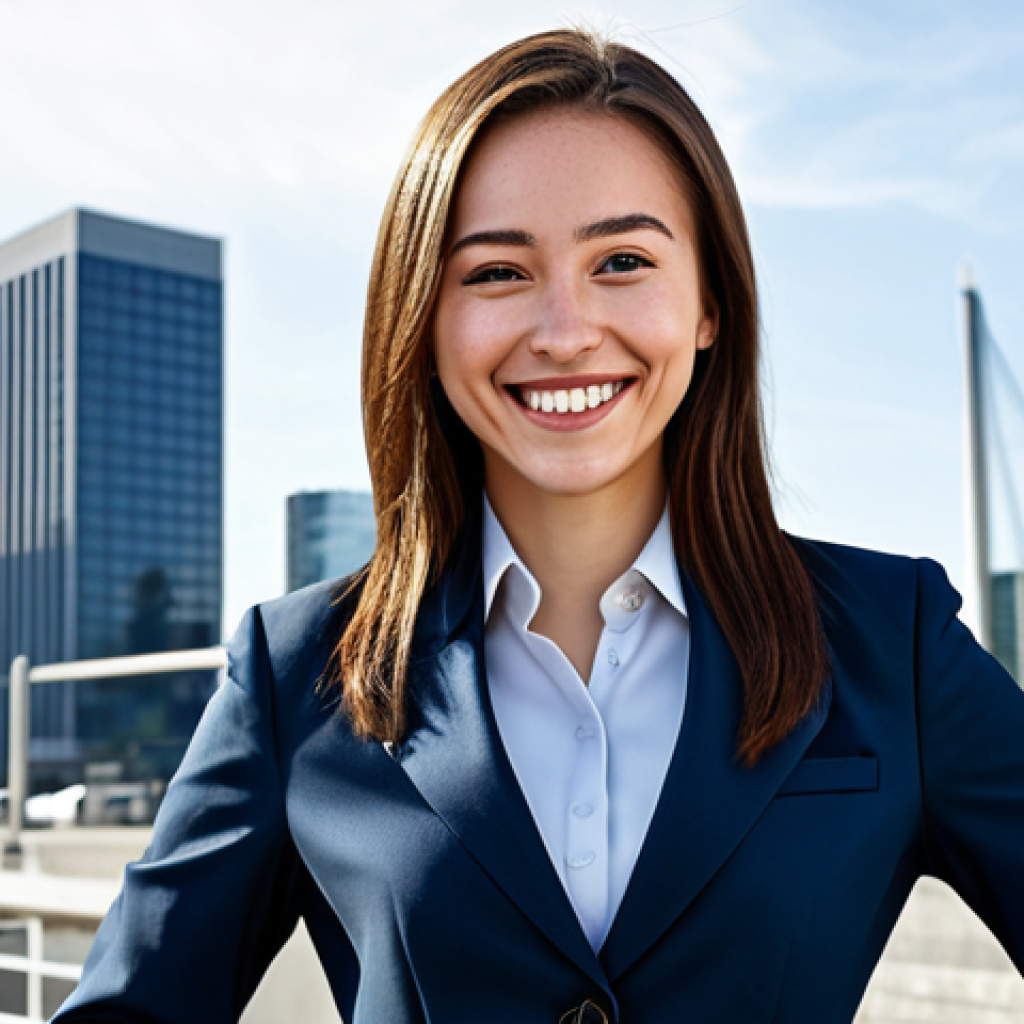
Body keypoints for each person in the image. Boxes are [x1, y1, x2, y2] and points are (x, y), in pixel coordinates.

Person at [54, 29, 1024, 1024]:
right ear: (423, 320)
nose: (564, 332)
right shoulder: (295, 671)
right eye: (495, 274)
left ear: (709, 304)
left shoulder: (889, 641)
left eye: (621, 260)